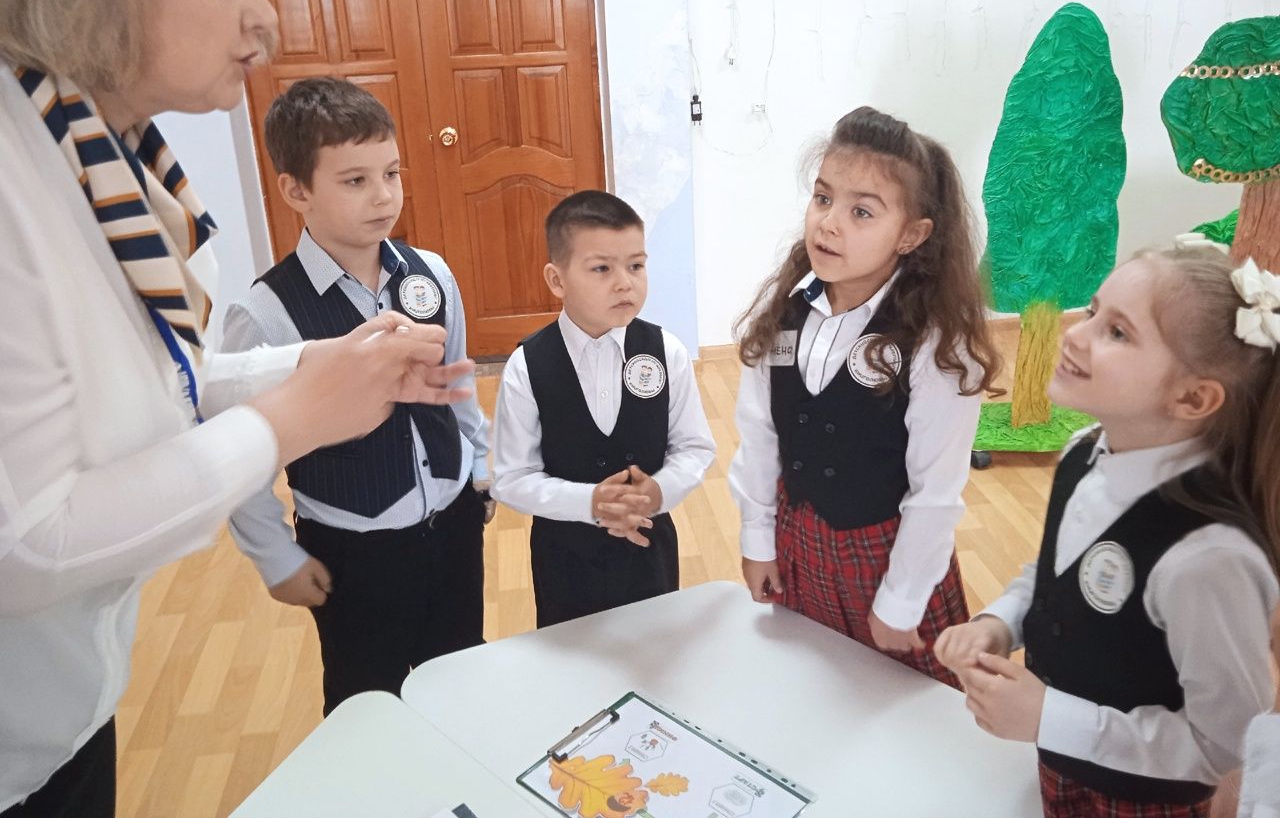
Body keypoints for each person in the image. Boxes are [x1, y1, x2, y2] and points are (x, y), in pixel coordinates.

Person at [0, 0, 471, 814]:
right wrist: (289, 420)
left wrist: (310, 365)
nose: (265, 17)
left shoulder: (99, 149)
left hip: (66, 714)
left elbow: (160, 381)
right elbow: (23, 543)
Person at [935, 247, 1280, 818]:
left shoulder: (1209, 556)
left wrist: (1051, 717)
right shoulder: (1083, 451)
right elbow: (1054, 573)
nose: (1075, 334)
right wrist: (999, 622)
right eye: (1093, 311)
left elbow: (1220, 745)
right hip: (1059, 763)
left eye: (1117, 332)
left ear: (1193, 397)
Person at [225, 77, 491, 716]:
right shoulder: (265, 314)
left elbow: (457, 384)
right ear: (297, 190)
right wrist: (275, 557)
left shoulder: (432, 274)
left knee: (461, 675)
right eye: (355, 180)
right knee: (365, 697)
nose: (384, 195)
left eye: (392, 173)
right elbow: (239, 456)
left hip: (452, 521)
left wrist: (478, 468)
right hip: (354, 547)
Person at [729, 106, 1001, 687]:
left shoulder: (935, 343)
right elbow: (760, 435)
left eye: (861, 212)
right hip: (799, 548)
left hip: (886, 560)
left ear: (911, 235)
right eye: (823, 198)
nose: (829, 224)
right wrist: (758, 540)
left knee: (906, 708)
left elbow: (936, 492)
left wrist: (900, 601)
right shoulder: (784, 314)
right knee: (815, 687)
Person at [491, 190, 715, 627]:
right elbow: (511, 478)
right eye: (601, 269)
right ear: (557, 280)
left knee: (655, 651)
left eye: (636, 266)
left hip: (650, 551)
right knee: (571, 659)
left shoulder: (666, 351)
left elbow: (694, 448)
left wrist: (658, 491)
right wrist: (591, 502)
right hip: (565, 562)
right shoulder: (528, 365)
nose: (624, 283)